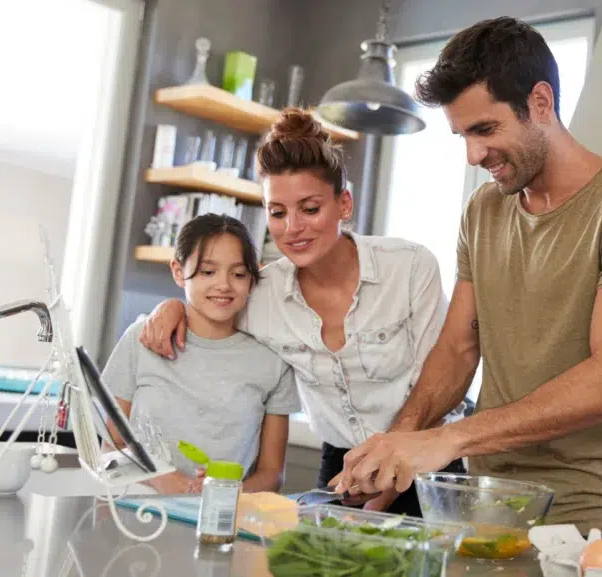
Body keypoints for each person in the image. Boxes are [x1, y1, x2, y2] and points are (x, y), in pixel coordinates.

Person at [333, 17, 602, 535]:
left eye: (485, 130)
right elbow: (458, 348)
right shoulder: (484, 210)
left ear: (541, 103)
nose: (473, 155)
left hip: (583, 515)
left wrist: (450, 439)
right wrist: (400, 443)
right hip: (487, 504)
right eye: (462, 135)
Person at [137, 108, 467, 515]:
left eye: (310, 209)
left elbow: (441, 373)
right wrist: (170, 307)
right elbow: (211, 307)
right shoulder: (262, 293)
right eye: (277, 212)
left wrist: (384, 479)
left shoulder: (410, 267)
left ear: (343, 204)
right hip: (342, 472)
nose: (293, 228)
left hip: (427, 461)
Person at [102, 214, 298, 494]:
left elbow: (272, 473)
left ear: (253, 278)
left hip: (219, 524)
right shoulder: (142, 339)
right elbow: (111, 450)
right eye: (208, 271)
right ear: (178, 271)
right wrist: (164, 479)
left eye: (239, 274)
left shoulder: (274, 361)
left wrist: (226, 494)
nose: (224, 284)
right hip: (134, 518)